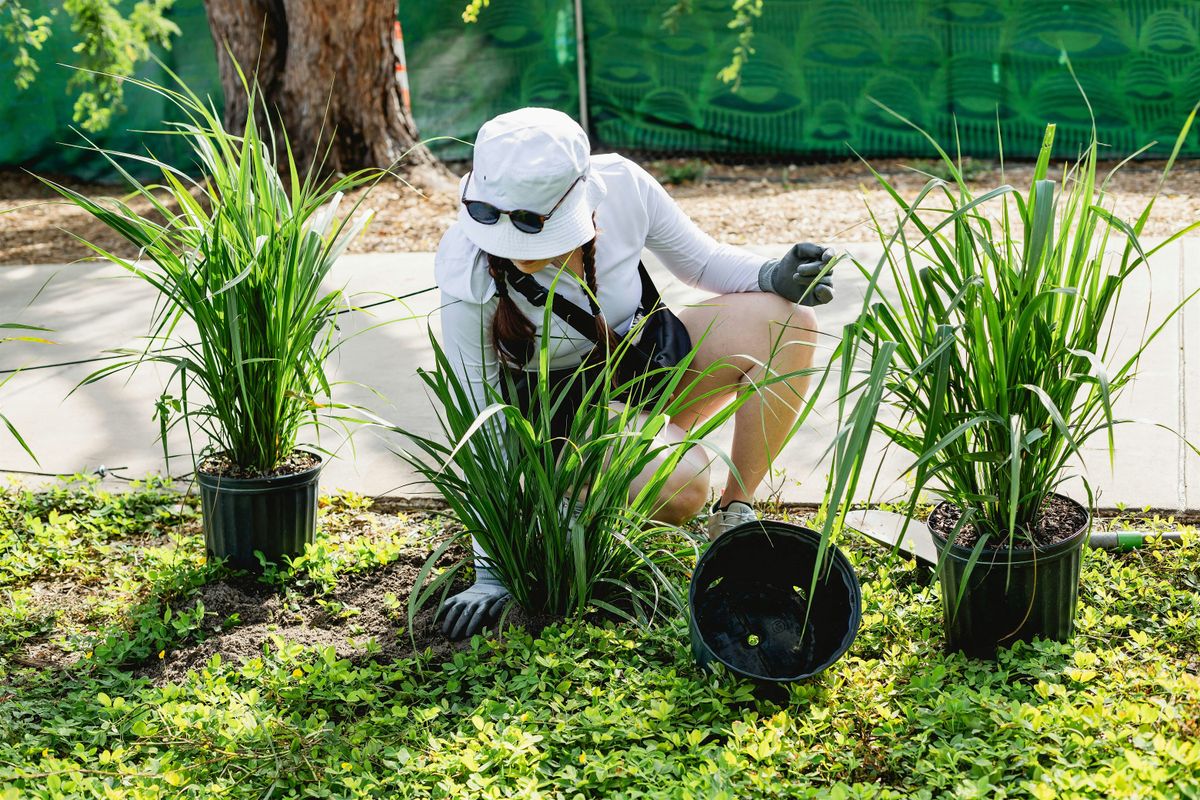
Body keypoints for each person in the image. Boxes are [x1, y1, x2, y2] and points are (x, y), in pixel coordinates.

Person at [433, 107, 834, 639]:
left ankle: (734, 516)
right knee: (683, 482)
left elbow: (702, 262)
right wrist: (492, 569)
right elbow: (481, 423)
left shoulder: (622, 184)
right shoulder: (467, 272)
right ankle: (561, 504)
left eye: (534, 228)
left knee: (788, 322)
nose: (516, 247)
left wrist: (772, 274)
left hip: (643, 369)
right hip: (561, 421)